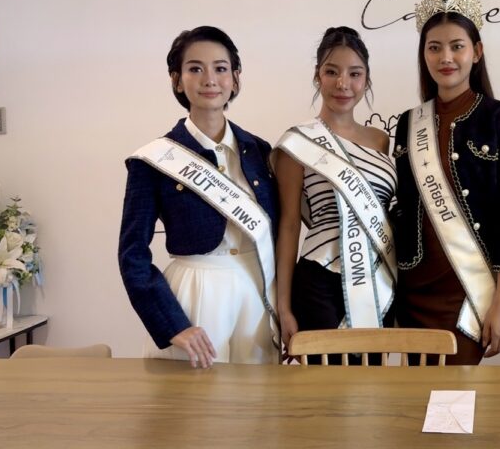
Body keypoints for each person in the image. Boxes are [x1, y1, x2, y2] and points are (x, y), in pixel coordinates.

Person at [119, 26, 279, 368]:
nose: (210, 79)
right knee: (194, 397)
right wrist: (171, 324)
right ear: (177, 80)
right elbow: (132, 253)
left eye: (221, 68)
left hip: (258, 289)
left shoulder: (259, 150)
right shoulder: (153, 159)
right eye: (195, 69)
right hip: (194, 292)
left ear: (235, 78)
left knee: (260, 396)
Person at [391, 0, 500, 365]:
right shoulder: (408, 122)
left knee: (457, 396)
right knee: (416, 394)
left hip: (469, 288)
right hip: (413, 288)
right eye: (434, 48)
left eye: (457, 46)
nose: (445, 57)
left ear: (476, 52)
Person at [273, 26, 397, 361]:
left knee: (373, 384)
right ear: (318, 76)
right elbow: (289, 226)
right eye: (332, 72)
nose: (343, 84)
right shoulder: (298, 142)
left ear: (366, 79)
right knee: (325, 386)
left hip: (378, 280)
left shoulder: (381, 141)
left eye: (354, 74)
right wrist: (283, 306)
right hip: (319, 280)